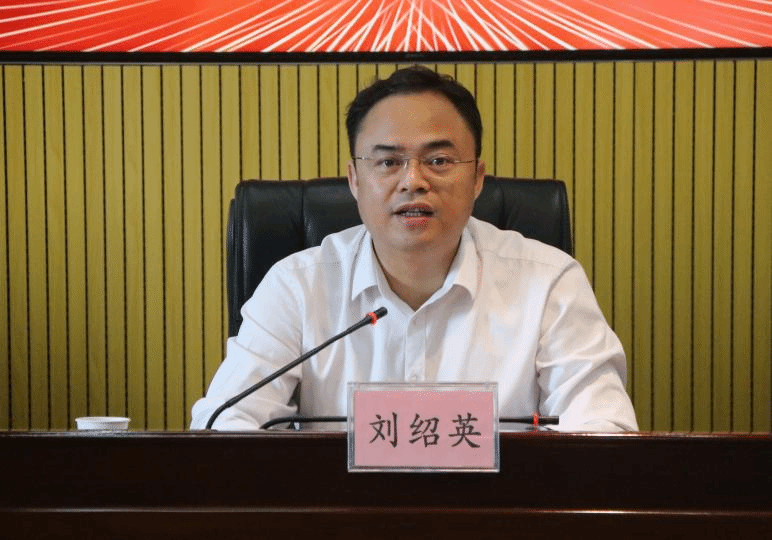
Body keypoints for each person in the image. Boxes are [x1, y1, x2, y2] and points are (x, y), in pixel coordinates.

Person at [190, 66, 638, 432]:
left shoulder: (549, 282)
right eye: (388, 161)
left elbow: (604, 432)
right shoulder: (296, 286)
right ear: (354, 180)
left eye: (439, 160)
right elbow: (223, 426)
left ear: (477, 178)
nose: (413, 181)